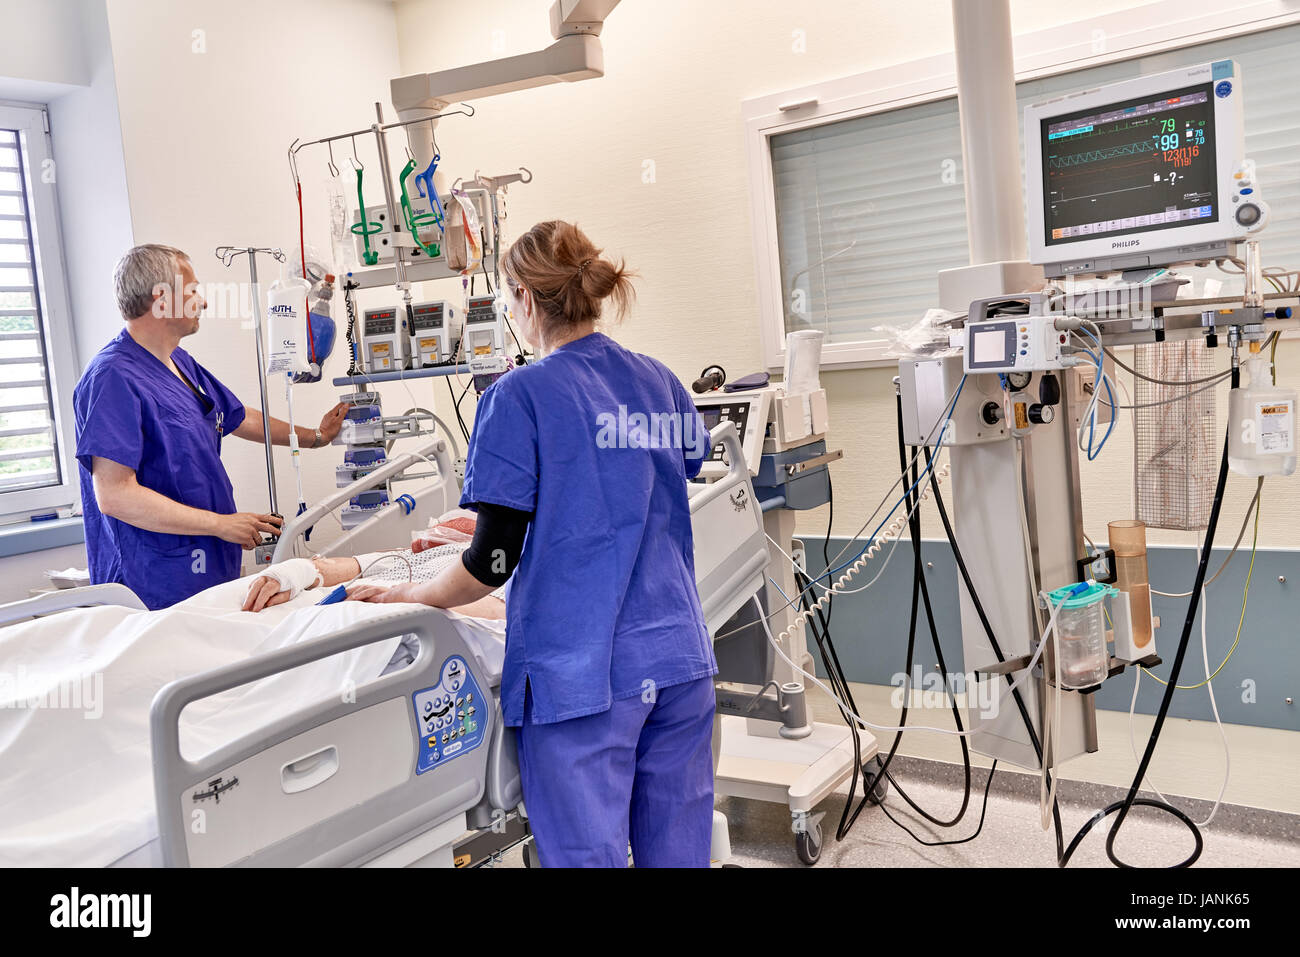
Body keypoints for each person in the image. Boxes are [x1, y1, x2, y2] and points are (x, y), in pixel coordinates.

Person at [348, 221, 717, 867]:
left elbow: (492, 562)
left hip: (584, 682)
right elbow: (654, 477)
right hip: (678, 664)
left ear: (520, 297)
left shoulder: (519, 397)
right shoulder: (657, 381)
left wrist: (410, 591)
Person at [73, 244, 347, 610]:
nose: (202, 303)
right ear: (162, 298)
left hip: (207, 572)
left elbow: (239, 417)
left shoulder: (179, 363)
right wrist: (220, 524)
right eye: (193, 291)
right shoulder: (112, 377)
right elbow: (115, 495)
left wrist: (316, 437)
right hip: (153, 584)